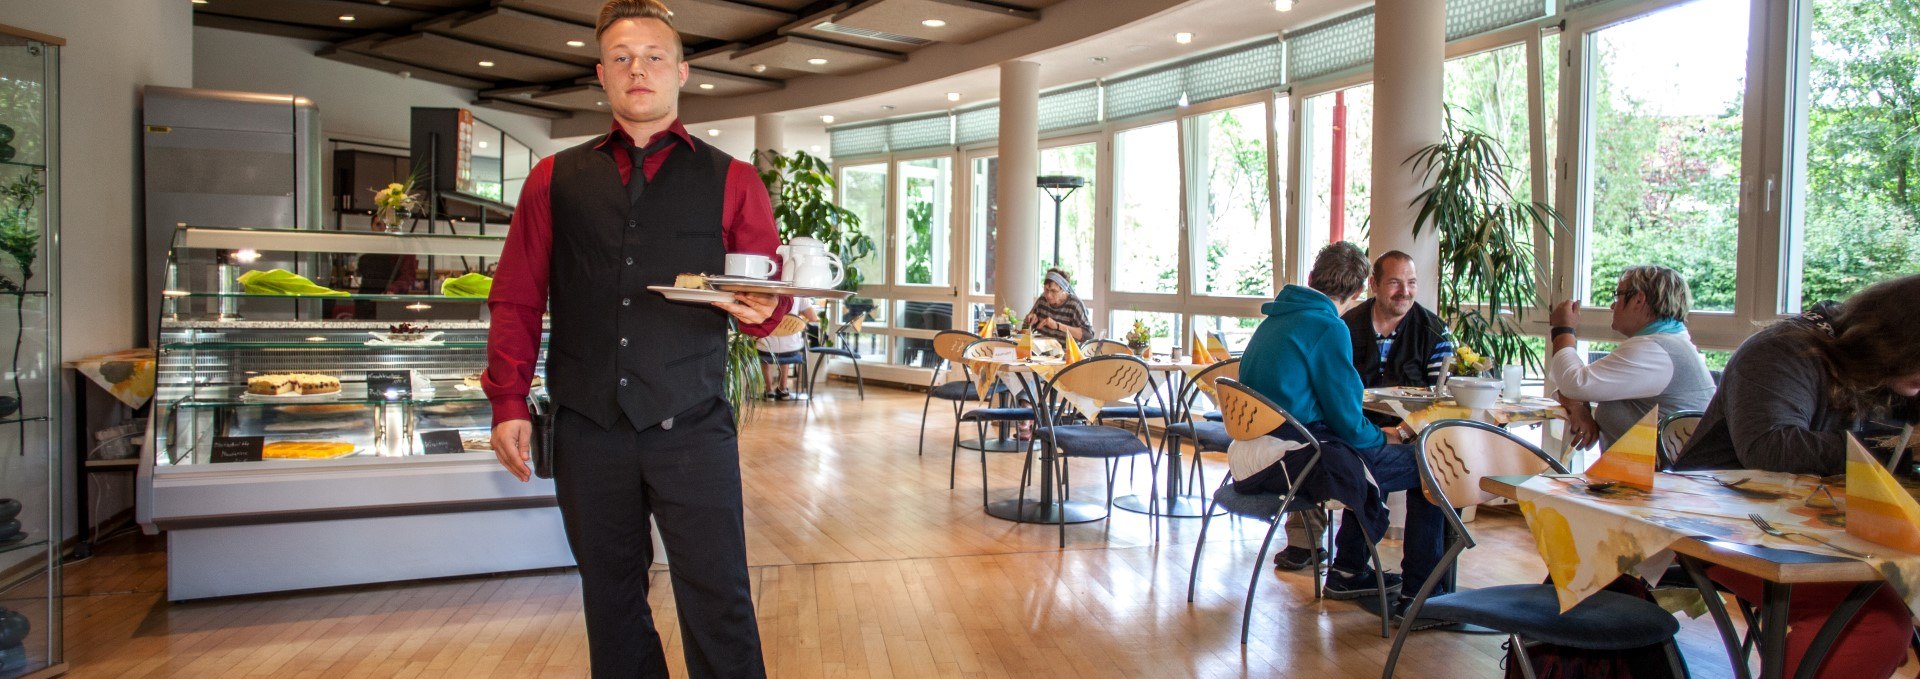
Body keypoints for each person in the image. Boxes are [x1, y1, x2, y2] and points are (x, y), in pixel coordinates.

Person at [482, 2, 787, 676]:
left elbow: (769, 299)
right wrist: (507, 400)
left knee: (719, 597)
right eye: (621, 58)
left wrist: (759, 309)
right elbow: (517, 297)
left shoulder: (733, 179)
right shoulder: (551, 180)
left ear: (681, 71)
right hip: (589, 426)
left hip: (693, 424)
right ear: (602, 74)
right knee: (610, 600)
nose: (637, 69)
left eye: (652, 56)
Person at [1671, 275, 1920, 679]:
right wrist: (1893, 448)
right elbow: (1771, 447)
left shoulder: (1880, 367)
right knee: (1872, 622)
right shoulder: (1781, 351)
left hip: (1823, 526)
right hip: (1723, 526)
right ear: (1896, 341)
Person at [1230, 242, 1448, 628]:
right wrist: (1388, 437)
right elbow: (1349, 422)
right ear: (1363, 289)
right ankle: (1422, 597)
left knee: (1361, 457)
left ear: (1312, 278)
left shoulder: (1277, 319)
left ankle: (1348, 571)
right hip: (1294, 459)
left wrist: (1372, 437)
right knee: (1432, 467)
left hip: (1253, 455)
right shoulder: (1328, 326)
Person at [1273, 250, 1454, 572]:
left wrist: (1399, 433)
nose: (1405, 291)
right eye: (1395, 283)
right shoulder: (1341, 325)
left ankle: (1351, 567)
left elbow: (1442, 398)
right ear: (1371, 285)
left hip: (1402, 429)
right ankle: (1416, 586)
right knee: (1429, 469)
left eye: (1411, 283)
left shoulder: (1434, 331)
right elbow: (1326, 399)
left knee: (1421, 456)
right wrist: (1376, 436)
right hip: (1346, 432)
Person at [1547, 265, 1715, 450]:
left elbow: (1575, 383)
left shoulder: (1655, 351)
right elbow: (1578, 385)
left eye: (1617, 296)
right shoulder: (1665, 345)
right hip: (1652, 475)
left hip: (1661, 477)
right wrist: (1577, 404)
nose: (1612, 306)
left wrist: (1562, 329)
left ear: (1638, 300)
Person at [758, 297, 817, 400]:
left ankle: (769, 390)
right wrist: (796, 317)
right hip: (790, 349)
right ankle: (783, 389)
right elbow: (813, 317)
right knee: (786, 346)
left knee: (764, 346)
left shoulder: (765, 291)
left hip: (765, 349)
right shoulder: (799, 293)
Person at [1023, 268, 1092, 341]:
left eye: (1053, 291)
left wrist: (1058, 326)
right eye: (1046, 290)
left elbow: (1088, 335)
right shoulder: (1043, 299)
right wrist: (1029, 321)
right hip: (1041, 349)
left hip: (1065, 351)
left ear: (1063, 290)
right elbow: (1024, 329)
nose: (1048, 295)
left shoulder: (1075, 305)